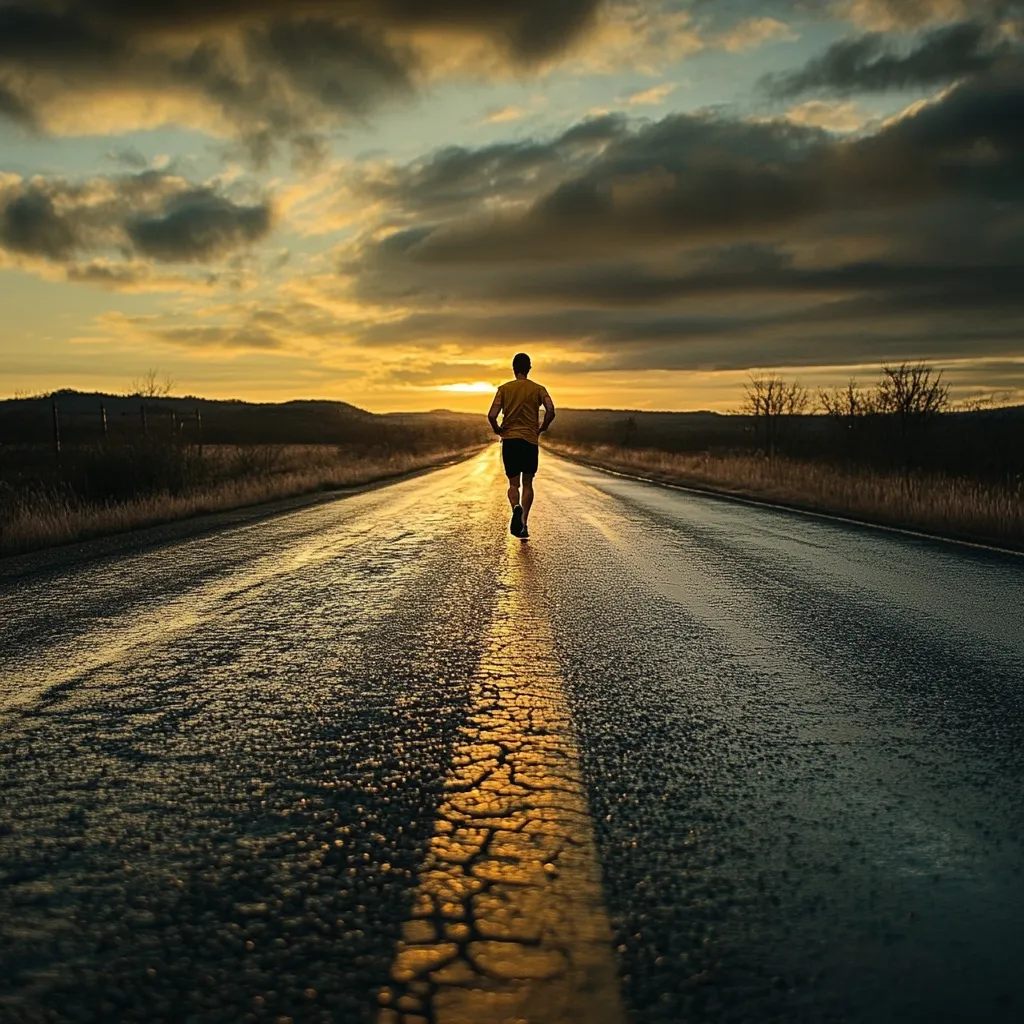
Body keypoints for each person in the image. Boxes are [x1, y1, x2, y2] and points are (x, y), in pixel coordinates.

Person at [487, 352, 555, 540]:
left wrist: (498, 430)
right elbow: (551, 410)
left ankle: (515, 507)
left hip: (510, 440)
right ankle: (524, 522)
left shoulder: (504, 389)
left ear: (514, 369)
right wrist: (542, 428)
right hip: (529, 441)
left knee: (513, 484)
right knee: (527, 483)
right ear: (529, 368)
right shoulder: (539, 389)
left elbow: (491, 415)